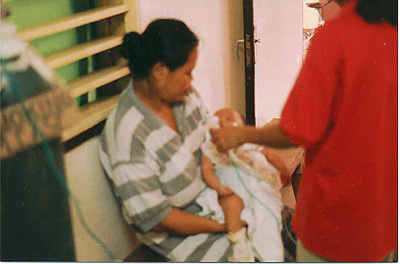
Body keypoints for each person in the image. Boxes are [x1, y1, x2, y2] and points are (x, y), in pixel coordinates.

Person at [210, 0, 397, 262]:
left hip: (336, 222)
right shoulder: (391, 30)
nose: (319, 13)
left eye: (319, 6)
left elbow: (296, 132)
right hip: (386, 218)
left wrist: (241, 136)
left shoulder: (335, 37)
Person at [99, 18, 251, 262]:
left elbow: (209, 143)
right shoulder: (128, 135)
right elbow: (157, 220)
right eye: (187, 72)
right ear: (159, 71)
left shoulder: (184, 97)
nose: (192, 82)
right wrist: (224, 226)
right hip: (184, 234)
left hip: (215, 199)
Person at [197, 107, 291, 261]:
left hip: (257, 186)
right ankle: (238, 242)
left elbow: (272, 157)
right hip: (231, 189)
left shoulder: (250, 143)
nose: (221, 121)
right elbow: (206, 170)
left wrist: (280, 170)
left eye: (228, 118)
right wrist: (219, 188)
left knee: (266, 220)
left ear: (242, 127)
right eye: (217, 119)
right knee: (231, 205)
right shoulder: (211, 147)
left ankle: (270, 253)